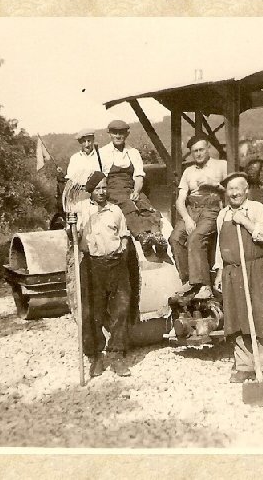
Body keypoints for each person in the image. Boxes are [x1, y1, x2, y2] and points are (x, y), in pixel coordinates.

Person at [66, 171, 133, 378]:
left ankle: (117, 355)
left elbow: (124, 235)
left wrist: (122, 249)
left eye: (104, 187)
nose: (102, 192)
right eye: (97, 188)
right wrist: (71, 228)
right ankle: (95, 357)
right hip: (92, 265)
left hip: (115, 264)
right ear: (90, 190)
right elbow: (72, 236)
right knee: (91, 313)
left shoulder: (115, 210)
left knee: (121, 309)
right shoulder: (81, 210)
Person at [214, 172, 263, 383]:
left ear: (246, 190)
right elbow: (219, 246)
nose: (234, 193)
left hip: (254, 268)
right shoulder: (222, 215)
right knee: (237, 317)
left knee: (258, 314)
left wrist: (246, 222)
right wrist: (219, 271)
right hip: (231, 271)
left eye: (237, 188)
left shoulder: (256, 209)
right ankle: (243, 365)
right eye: (230, 189)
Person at [99, 119, 170, 263]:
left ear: (127, 134)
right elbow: (101, 178)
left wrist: (137, 191)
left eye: (121, 133)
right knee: (128, 206)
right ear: (109, 134)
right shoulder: (102, 153)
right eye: (115, 133)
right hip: (113, 189)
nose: (118, 136)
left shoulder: (133, 152)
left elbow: (138, 176)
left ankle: (157, 235)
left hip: (131, 187)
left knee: (145, 204)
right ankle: (143, 236)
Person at [169, 135, 227, 300]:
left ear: (208, 148)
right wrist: (187, 219)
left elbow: (234, 190)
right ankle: (189, 281)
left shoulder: (222, 166)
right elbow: (180, 200)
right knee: (175, 238)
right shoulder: (189, 171)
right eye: (195, 151)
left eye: (201, 149)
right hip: (192, 210)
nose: (198, 154)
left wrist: (215, 185)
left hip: (211, 209)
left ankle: (205, 286)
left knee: (196, 237)